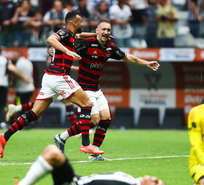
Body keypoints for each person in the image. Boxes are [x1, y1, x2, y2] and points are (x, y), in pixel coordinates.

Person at [0, 11, 105, 159]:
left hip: (49, 77)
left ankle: (4, 136)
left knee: (35, 113)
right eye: (81, 22)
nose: (82, 24)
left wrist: (96, 35)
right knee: (87, 103)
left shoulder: (71, 35)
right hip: (59, 76)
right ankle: (86, 144)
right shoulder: (65, 32)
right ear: (74, 23)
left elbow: (79, 36)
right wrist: (67, 51)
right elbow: (50, 38)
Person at [53, 19, 160, 161]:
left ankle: (90, 152)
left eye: (108, 30)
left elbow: (128, 58)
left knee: (106, 119)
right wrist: (55, 49)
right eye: (103, 29)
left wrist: (147, 63)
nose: (106, 32)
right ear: (97, 31)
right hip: (84, 88)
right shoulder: (87, 44)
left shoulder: (110, 47)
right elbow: (69, 46)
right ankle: (65, 138)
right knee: (94, 119)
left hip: (96, 89)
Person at [0, 144, 169, 185]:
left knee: (53, 152)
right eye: (157, 178)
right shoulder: (131, 179)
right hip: (77, 181)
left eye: (156, 183)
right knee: (52, 151)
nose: (153, 178)